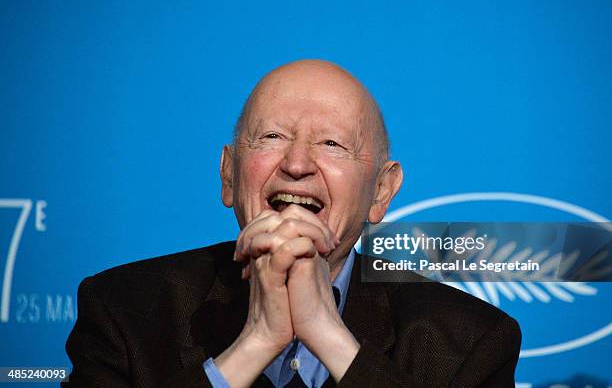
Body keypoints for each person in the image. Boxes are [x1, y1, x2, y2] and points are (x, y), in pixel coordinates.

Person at [63, 60, 521, 387]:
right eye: (273, 137)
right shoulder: (124, 310)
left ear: (381, 191)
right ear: (228, 175)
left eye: (332, 144)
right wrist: (255, 345)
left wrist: (331, 337)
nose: (298, 164)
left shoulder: (467, 339)